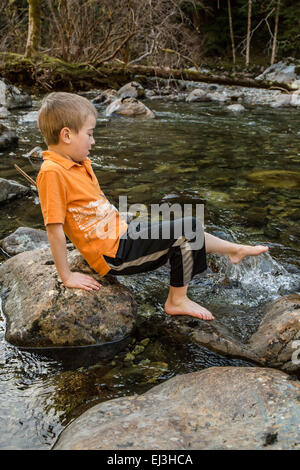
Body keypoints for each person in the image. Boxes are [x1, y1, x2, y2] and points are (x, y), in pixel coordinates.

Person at [37, 92, 268, 321]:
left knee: (179, 226)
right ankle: (176, 300)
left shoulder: (77, 163)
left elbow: (89, 204)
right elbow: (54, 228)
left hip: (119, 233)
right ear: (67, 135)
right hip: (113, 254)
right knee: (187, 229)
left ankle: (233, 250)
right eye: (89, 134)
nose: (93, 141)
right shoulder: (52, 172)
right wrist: (66, 276)